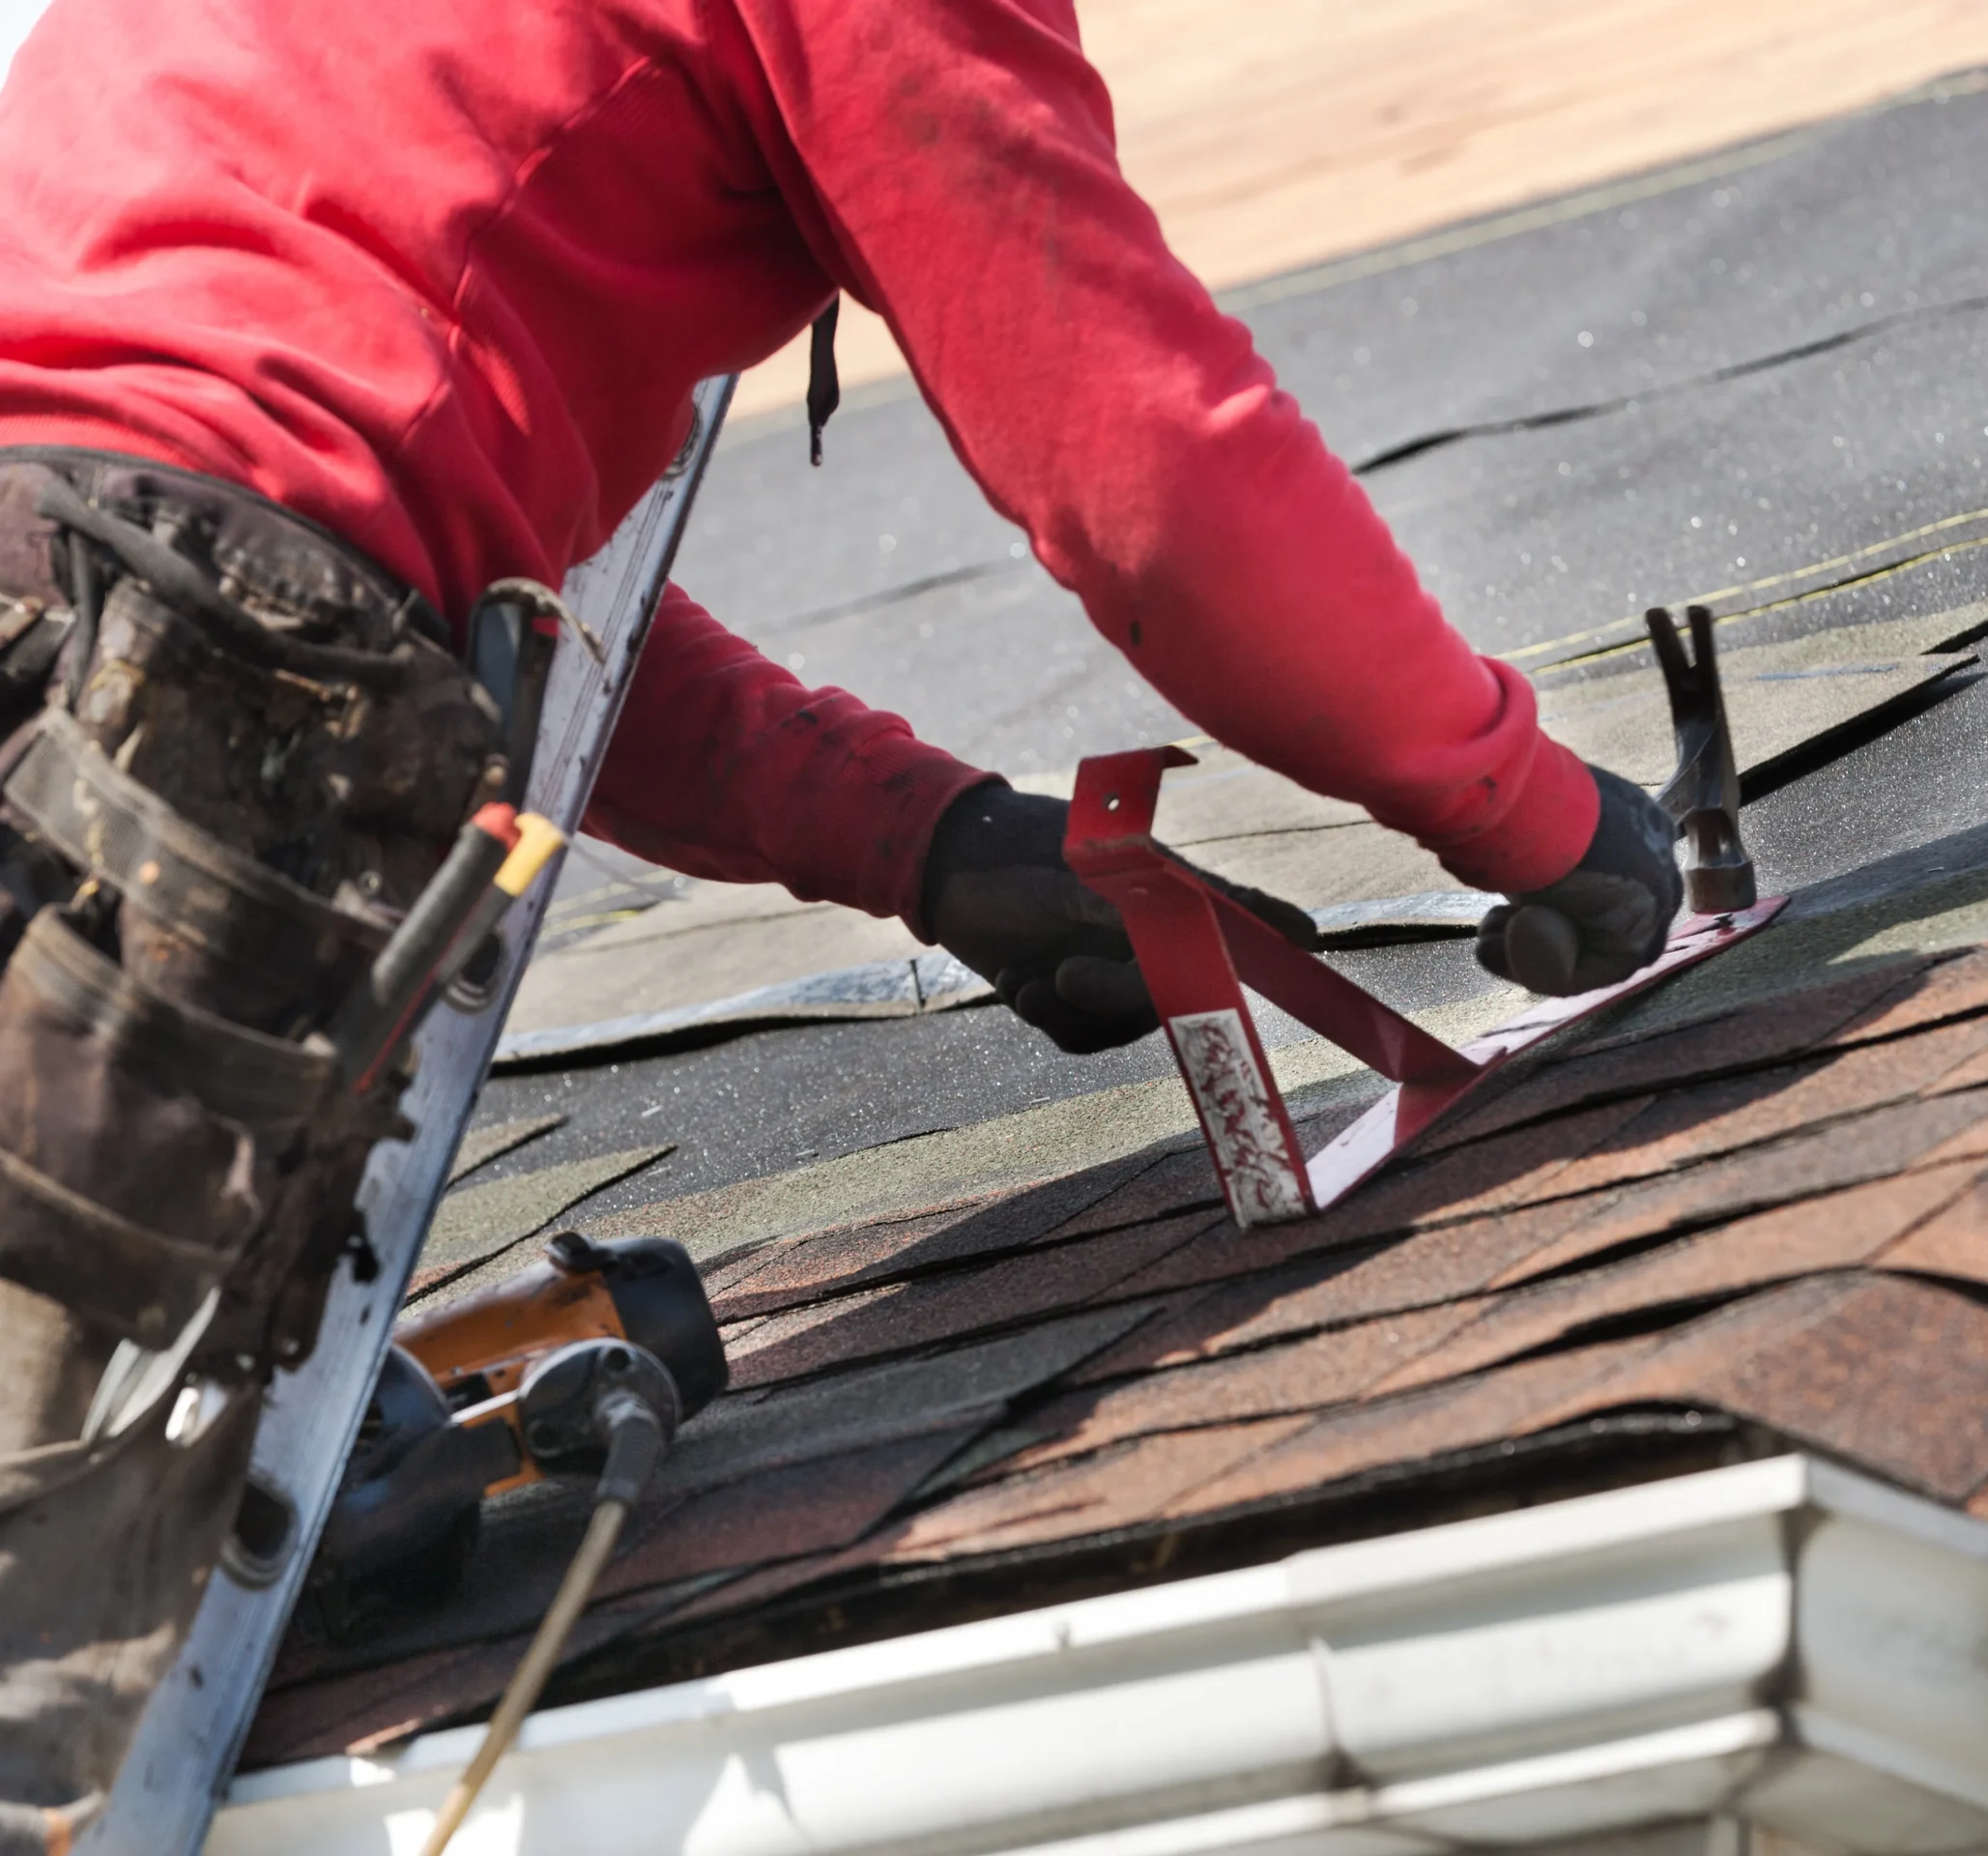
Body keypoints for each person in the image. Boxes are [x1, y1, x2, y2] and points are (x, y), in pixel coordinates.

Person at [0, 0, 1682, 1834]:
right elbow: (1150, 477)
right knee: (43, 1680)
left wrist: (927, 838)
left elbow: (423, 568)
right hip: (162, 700)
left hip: (117, 627)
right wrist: (1520, 804)